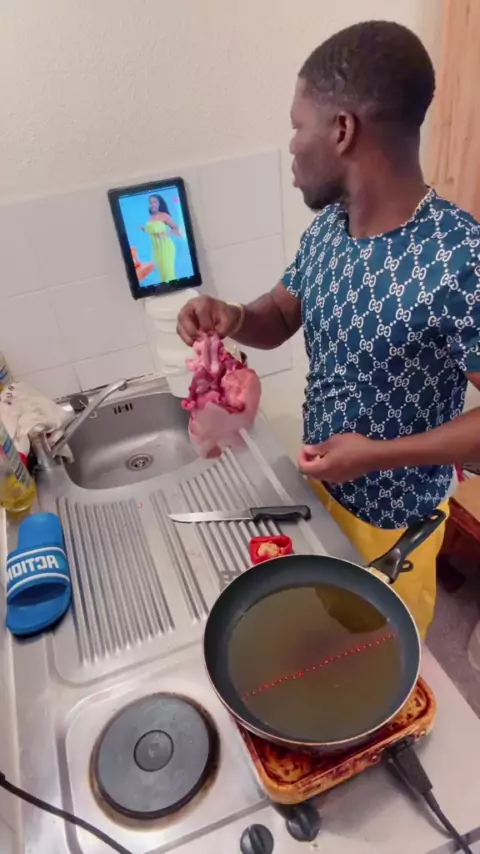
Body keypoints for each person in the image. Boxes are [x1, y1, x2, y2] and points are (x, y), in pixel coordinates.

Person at [177, 20, 480, 638]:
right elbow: (281, 314)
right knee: (321, 642)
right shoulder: (330, 228)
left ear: (342, 129)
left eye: (298, 126)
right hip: (319, 493)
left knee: (374, 664)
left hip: (395, 532)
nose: (292, 146)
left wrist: (377, 456)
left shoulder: (459, 259)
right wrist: (233, 317)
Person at [140, 194, 180, 283]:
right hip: (156, 249)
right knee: (162, 274)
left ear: (159, 203)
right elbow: (152, 230)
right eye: (150, 203)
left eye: (155, 202)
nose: (152, 204)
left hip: (166, 248)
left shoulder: (164, 216)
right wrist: (143, 229)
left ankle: (175, 287)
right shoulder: (150, 218)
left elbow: (176, 228)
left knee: (168, 273)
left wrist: (166, 234)